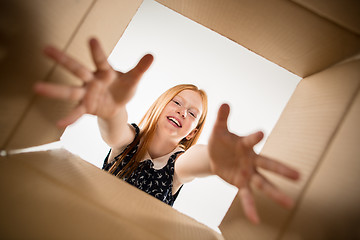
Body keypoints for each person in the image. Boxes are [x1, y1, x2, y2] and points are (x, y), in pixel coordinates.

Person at [34, 38, 300, 224]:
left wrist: (216, 160)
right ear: (161, 106)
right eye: (177, 103)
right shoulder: (130, 142)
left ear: (191, 131)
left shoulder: (178, 168)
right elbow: (115, 132)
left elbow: (196, 161)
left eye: (192, 113)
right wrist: (110, 109)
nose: (183, 112)